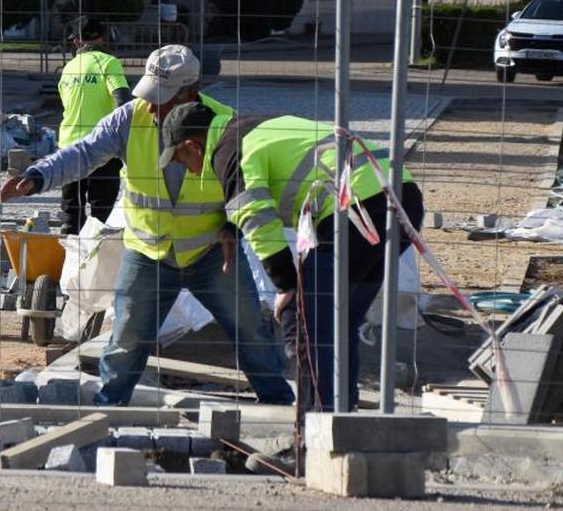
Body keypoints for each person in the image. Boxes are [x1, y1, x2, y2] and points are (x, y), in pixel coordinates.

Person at [0, 45, 293, 406]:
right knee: (126, 339)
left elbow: (243, 186)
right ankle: (108, 406)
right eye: (149, 94)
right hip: (147, 253)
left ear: (191, 93)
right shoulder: (129, 119)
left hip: (212, 255)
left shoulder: (224, 125)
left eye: (163, 98)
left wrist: (233, 228)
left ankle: (279, 405)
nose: (152, 106)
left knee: (252, 332)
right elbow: (84, 152)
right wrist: (38, 176)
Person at [156, 101, 425, 413]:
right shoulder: (259, 122)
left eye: (182, 158)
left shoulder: (228, 150)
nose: (187, 168)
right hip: (400, 196)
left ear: (192, 145)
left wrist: (286, 286)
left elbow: (256, 216)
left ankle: (316, 429)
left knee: (304, 323)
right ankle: (343, 418)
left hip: (354, 211)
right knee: (341, 321)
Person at [56, 16, 129, 234]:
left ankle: (70, 257)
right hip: (101, 145)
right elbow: (123, 102)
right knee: (101, 210)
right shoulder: (108, 63)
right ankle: (94, 255)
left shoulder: (67, 68)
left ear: (77, 42)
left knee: (72, 211)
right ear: (103, 38)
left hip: (69, 147)